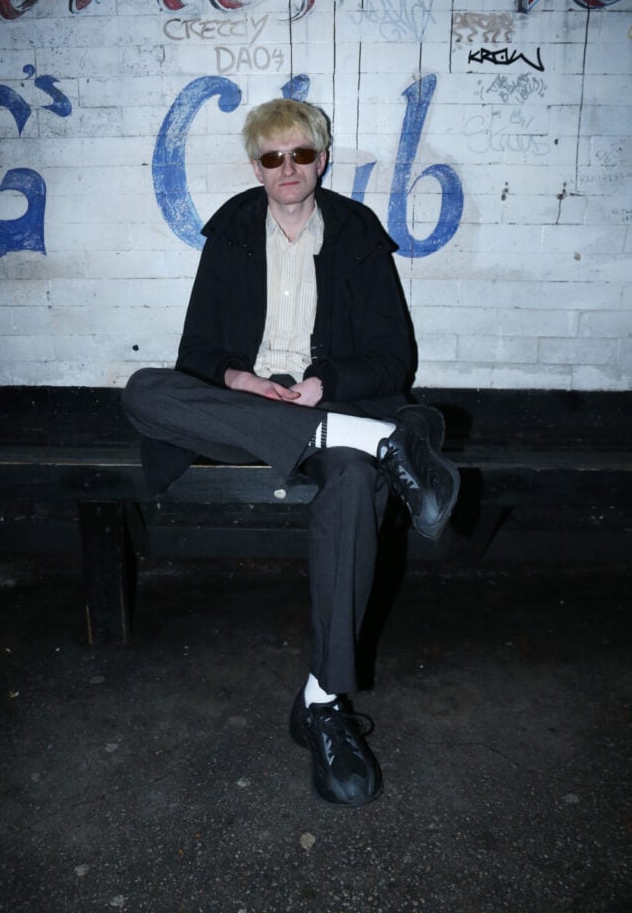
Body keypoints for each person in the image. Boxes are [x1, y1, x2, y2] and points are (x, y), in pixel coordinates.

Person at [122, 98, 459, 807]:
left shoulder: (357, 234)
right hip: (246, 408)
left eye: (300, 154)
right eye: (272, 157)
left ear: (321, 159)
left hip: (326, 404)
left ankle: (323, 700)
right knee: (145, 391)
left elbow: (392, 361)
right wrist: (239, 379)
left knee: (354, 485)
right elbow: (195, 355)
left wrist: (321, 386)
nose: (287, 168)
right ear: (255, 166)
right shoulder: (232, 234)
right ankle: (382, 441)